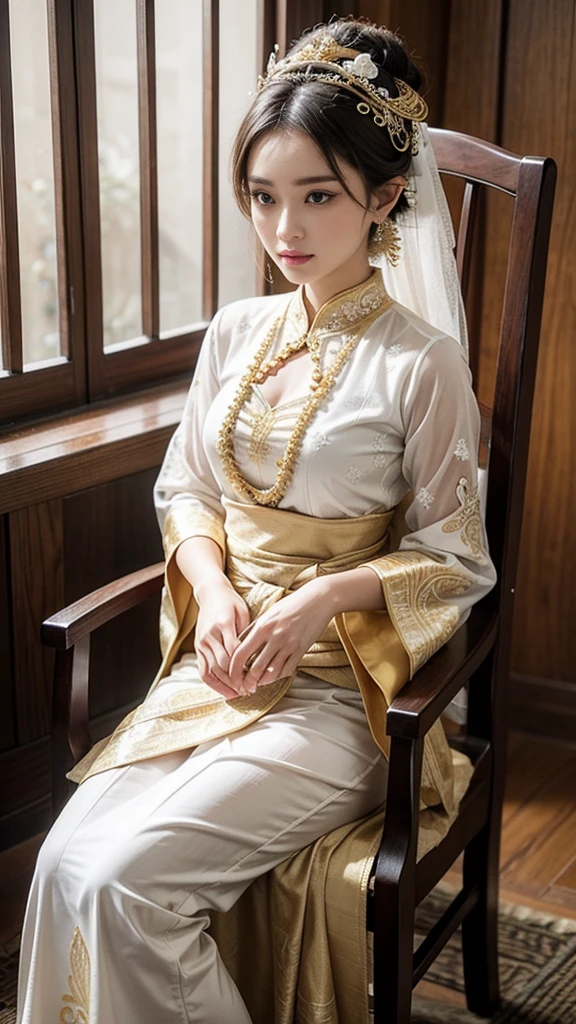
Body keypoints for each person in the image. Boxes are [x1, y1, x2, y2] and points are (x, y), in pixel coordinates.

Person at [16, 17, 496, 1024]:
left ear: (384, 197)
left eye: (318, 195)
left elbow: (453, 560)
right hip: (221, 663)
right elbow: (185, 488)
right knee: (65, 862)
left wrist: (324, 595)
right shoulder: (236, 331)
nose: (287, 228)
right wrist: (221, 585)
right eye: (264, 196)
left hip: (340, 701)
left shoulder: (421, 363)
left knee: (123, 887)